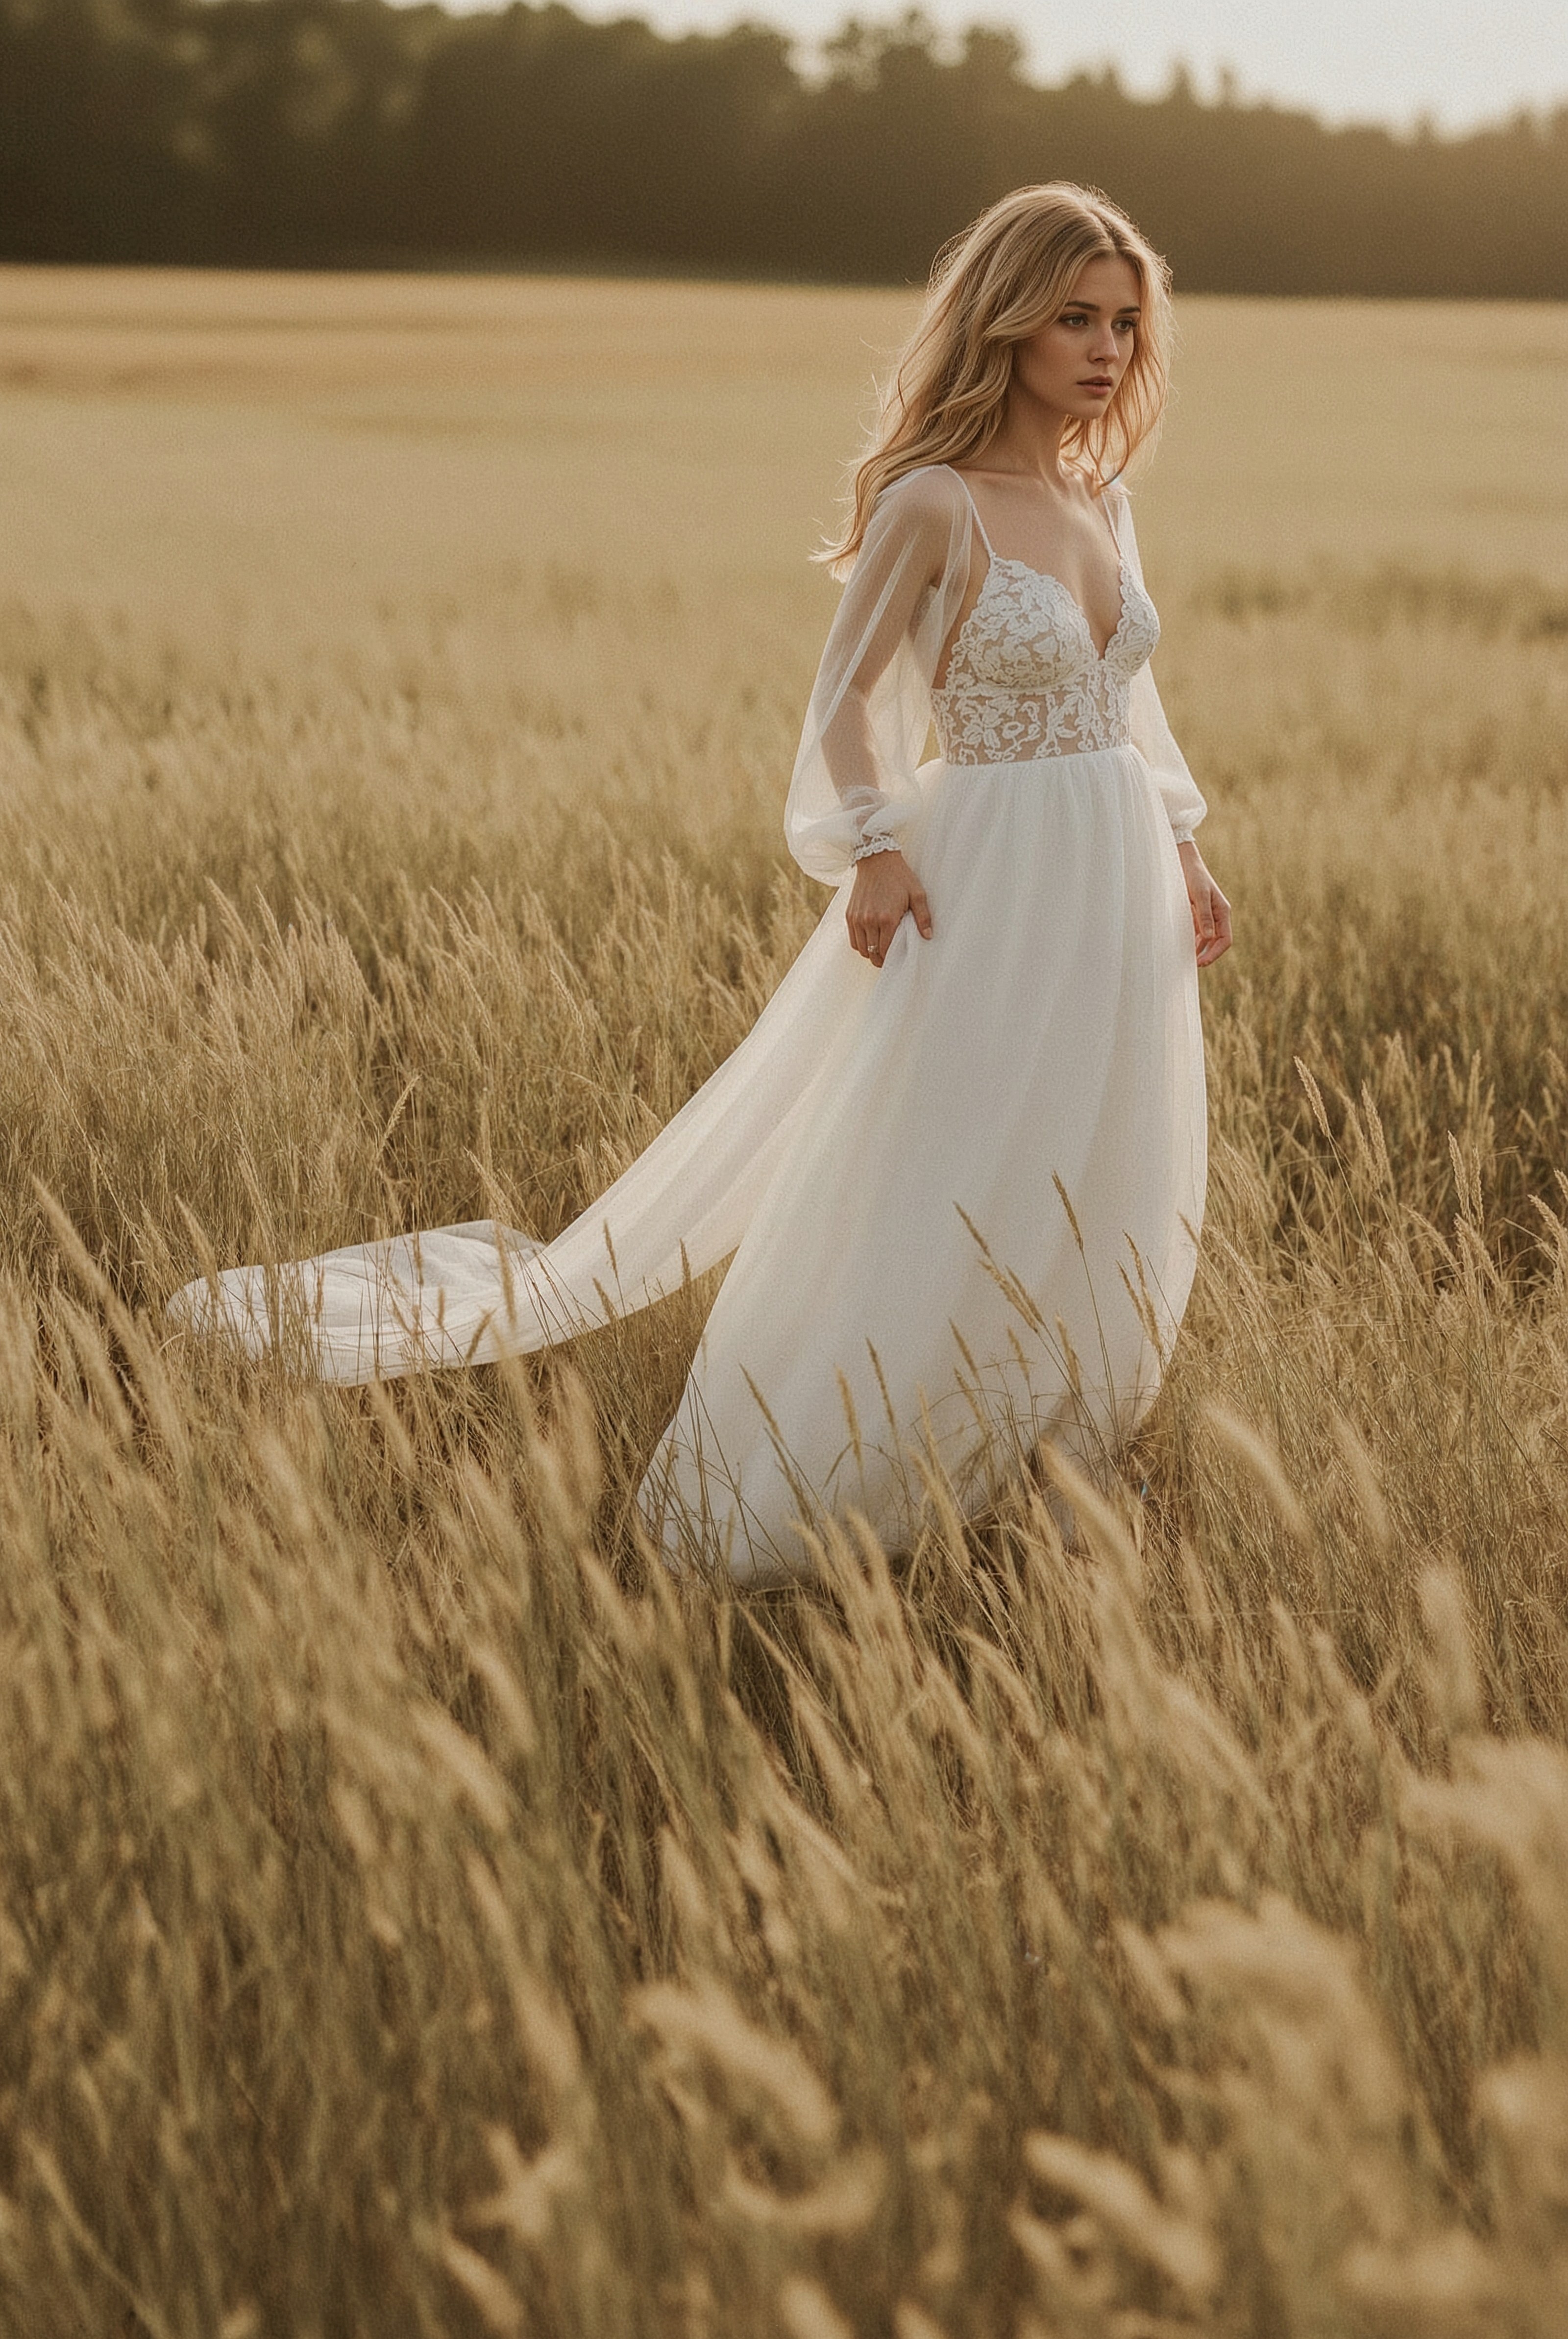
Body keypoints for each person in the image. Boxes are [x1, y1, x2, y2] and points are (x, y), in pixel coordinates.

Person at [169, 183, 1231, 1585]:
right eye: (1072, 317)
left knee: (1092, 1154)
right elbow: (846, 701)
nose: (1102, 347)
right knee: (944, 1158)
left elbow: (1130, 704)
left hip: (1110, 879)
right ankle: (815, 1475)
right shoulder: (936, 501)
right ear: (1006, 322)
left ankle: (1042, 1458)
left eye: (1124, 322)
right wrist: (876, 842)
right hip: (986, 876)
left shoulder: (1105, 501)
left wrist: (1185, 843)